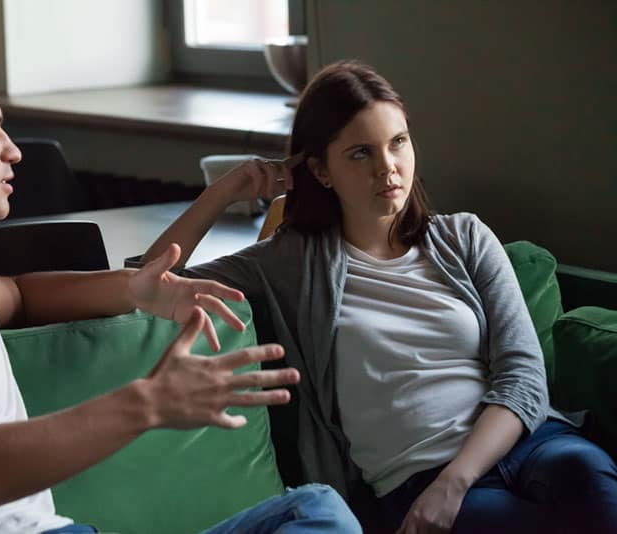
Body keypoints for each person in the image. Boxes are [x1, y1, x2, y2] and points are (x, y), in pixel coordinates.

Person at [0, 28, 363, 533]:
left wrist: (136, 289)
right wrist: (149, 402)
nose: (13, 149)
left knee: (316, 509)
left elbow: (22, 294)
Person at [143, 60, 617, 533]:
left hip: (530, 446)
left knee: (592, 481)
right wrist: (226, 191)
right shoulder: (289, 264)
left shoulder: (465, 237)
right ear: (321, 171)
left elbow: (524, 376)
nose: (387, 168)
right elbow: (149, 280)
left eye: (398, 142)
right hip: (415, 479)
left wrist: (454, 482)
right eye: (360, 153)